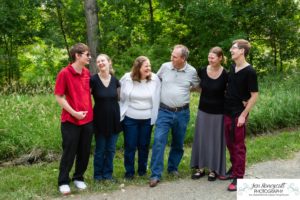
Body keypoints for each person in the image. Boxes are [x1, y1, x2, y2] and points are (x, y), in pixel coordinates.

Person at [149, 44, 200, 187]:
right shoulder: (165, 67)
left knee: (178, 143)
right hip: (164, 111)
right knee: (159, 141)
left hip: (182, 113)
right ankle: (155, 174)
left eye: (175, 56)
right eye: (172, 55)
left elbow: (197, 86)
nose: (171, 58)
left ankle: (172, 168)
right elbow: (155, 81)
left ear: (183, 59)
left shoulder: (191, 71)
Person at [54, 43, 93, 195]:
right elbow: (59, 96)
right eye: (87, 54)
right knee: (69, 151)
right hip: (70, 120)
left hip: (88, 120)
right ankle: (63, 181)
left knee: (84, 150)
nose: (89, 57)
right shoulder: (64, 73)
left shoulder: (87, 72)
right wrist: (74, 112)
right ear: (77, 55)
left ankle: (78, 178)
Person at [224, 39, 258, 191]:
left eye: (234, 48)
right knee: (229, 143)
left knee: (238, 145)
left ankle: (239, 177)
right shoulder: (232, 67)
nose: (231, 50)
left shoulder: (250, 71)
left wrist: (244, 114)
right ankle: (234, 167)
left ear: (242, 51)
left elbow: (255, 95)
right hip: (227, 110)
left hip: (239, 112)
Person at [119, 56, 161, 179]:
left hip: (147, 118)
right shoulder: (127, 78)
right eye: (146, 66)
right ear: (138, 68)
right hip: (130, 118)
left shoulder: (155, 79)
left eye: (149, 65)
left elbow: (158, 97)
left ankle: (142, 170)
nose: (149, 68)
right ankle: (129, 172)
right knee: (130, 145)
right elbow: (118, 93)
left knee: (144, 145)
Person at [190, 47, 228, 181]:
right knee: (202, 139)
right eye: (209, 57)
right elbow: (198, 87)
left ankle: (213, 169)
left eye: (213, 57)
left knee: (215, 141)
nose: (210, 59)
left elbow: (228, 93)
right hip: (203, 110)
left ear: (220, 58)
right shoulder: (202, 71)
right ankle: (200, 168)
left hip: (219, 113)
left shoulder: (226, 74)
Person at [90, 54, 122, 181]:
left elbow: (119, 99)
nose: (100, 63)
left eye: (103, 60)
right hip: (99, 119)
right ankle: (98, 175)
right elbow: (85, 98)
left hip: (114, 119)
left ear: (109, 62)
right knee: (100, 149)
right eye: (98, 61)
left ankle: (108, 174)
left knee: (111, 150)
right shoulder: (93, 80)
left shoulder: (116, 81)